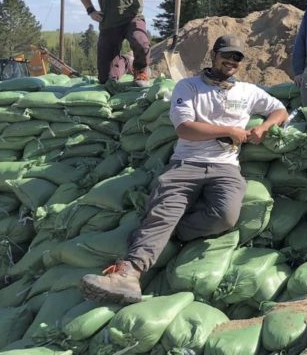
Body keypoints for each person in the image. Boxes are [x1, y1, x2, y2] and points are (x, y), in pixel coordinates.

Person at [79, 35, 288, 304]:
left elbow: (280, 109)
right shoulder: (188, 87)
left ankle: (174, 233)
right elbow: (185, 129)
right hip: (186, 164)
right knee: (164, 211)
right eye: (226, 55)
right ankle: (128, 274)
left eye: (237, 57)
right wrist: (228, 130)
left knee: (225, 216)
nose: (231, 61)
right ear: (213, 55)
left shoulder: (247, 91)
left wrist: (262, 128)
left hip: (225, 167)